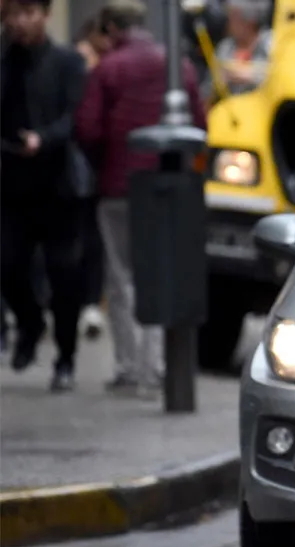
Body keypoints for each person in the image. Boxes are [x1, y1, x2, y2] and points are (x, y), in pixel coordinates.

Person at [75, 0, 208, 396]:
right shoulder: (178, 67)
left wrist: (102, 166)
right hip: (168, 189)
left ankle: (130, 367)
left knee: (121, 278)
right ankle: (158, 366)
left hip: (118, 186)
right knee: (159, 273)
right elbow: (199, 123)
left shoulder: (108, 68)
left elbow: (88, 128)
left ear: (113, 30)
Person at [0, 0, 89, 391]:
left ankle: (65, 358)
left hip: (57, 186)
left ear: (45, 14)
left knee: (63, 275)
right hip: (10, 184)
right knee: (7, 265)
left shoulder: (67, 62)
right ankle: (30, 322)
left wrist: (45, 139)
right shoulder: (4, 61)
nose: (20, 23)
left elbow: (76, 116)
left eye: (28, 13)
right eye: (12, 15)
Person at [74, 14, 109, 341]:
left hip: (93, 172)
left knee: (92, 241)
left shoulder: (107, 72)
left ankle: (90, 302)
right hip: (78, 169)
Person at [213, 0, 271, 95]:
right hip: (230, 106)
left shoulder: (271, 43)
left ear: (250, 21)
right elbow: (208, 90)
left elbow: (283, 74)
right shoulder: (225, 48)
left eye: (234, 17)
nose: (229, 22)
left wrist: (251, 75)